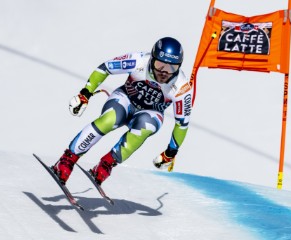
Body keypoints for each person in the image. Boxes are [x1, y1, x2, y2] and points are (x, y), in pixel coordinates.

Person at [52, 37, 193, 185]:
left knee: (145, 127)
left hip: (150, 112)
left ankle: (106, 164)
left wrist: (171, 152)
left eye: (172, 68)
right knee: (110, 120)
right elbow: (105, 68)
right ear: (152, 58)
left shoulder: (182, 88)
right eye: (160, 65)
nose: (164, 72)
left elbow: (182, 124)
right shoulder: (138, 61)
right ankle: (67, 160)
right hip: (125, 99)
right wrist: (85, 94)